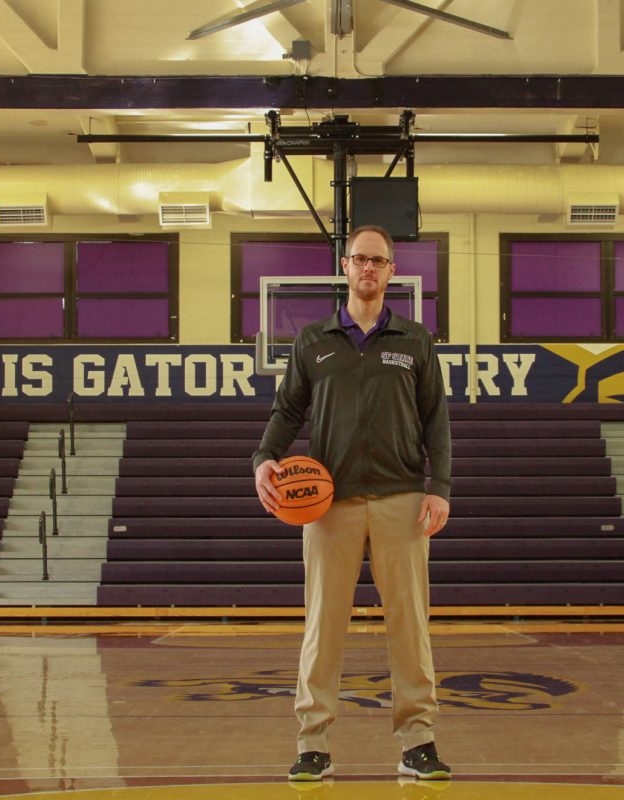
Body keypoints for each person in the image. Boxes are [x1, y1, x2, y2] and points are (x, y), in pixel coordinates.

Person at [253, 224, 452, 782]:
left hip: (403, 498)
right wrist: (264, 458)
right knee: (324, 624)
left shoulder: (415, 341)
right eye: (361, 259)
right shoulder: (313, 340)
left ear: (392, 272)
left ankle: (418, 742)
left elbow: (437, 418)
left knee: (410, 625)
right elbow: (287, 410)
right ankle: (312, 742)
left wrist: (440, 487)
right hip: (328, 504)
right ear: (345, 266)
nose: (369, 269)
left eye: (380, 261)